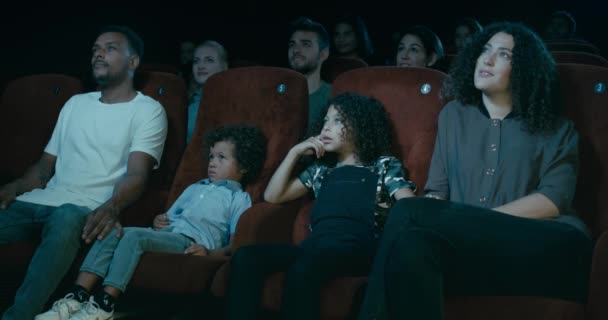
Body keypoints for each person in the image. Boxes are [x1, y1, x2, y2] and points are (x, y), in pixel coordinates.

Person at [357, 22, 592, 320]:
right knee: (413, 244)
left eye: (504, 54)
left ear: (525, 69)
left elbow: (553, 200)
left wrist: (473, 222)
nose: (488, 59)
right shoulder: (453, 116)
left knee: (409, 213)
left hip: (548, 244)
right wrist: (455, 224)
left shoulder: (557, 128)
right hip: (476, 250)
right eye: (485, 50)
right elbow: (437, 193)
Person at [0, 25, 168, 320]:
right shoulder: (76, 103)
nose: (99, 54)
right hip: (40, 201)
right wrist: (13, 188)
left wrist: (112, 206)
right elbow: (43, 168)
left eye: (110, 48)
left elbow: (137, 175)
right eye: (95, 49)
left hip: (83, 210)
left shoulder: (148, 110)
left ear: (133, 62)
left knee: (66, 215)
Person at [35, 125, 266, 320]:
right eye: (211, 157)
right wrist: (159, 221)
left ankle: (104, 304)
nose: (212, 163)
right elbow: (168, 217)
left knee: (133, 237)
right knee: (115, 230)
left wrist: (209, 252)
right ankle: (78, 296)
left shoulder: (238, 198)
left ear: (244, 166)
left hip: (188, 242)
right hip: (168, 235)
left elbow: (236, 242)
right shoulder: (196, 187)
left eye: (222, 158)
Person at [225, 93, 416, 320]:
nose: (327, 127)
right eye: (325, 121)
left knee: (304, 268)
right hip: (316, 247)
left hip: (360, 249)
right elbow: (273, 195)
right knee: (247, 256)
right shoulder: (321, 170)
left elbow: (409, 204)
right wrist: (294, 153)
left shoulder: (383, 165)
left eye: (338, 121)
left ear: (361, 125)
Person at [287, 17, 332, 132]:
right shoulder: (279, 92)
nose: (296, 50)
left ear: (323, 54)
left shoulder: (333, 95)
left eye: (306, 44)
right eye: (292, 44)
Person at [187, 40, 229, 144]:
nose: (200, 65)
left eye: (209, 60)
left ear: (224, 66)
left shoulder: (235, 102)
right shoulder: (185, 101)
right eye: (196, 61)